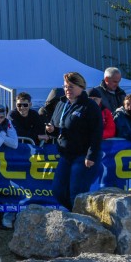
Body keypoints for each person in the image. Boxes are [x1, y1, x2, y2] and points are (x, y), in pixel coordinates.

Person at [44, 72, 103, 210]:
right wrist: (51, 130)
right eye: (65, 87)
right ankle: (78, 215)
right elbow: (58, 126)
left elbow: (96, 133)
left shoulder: (89, 106)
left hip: (83, 155)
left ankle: (81, 222)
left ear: (81, 87)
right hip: (66, 154)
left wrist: (91, 155)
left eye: (71, 87)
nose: (67, 90)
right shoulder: (61, 103)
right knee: (58, 191)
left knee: (76, 193)